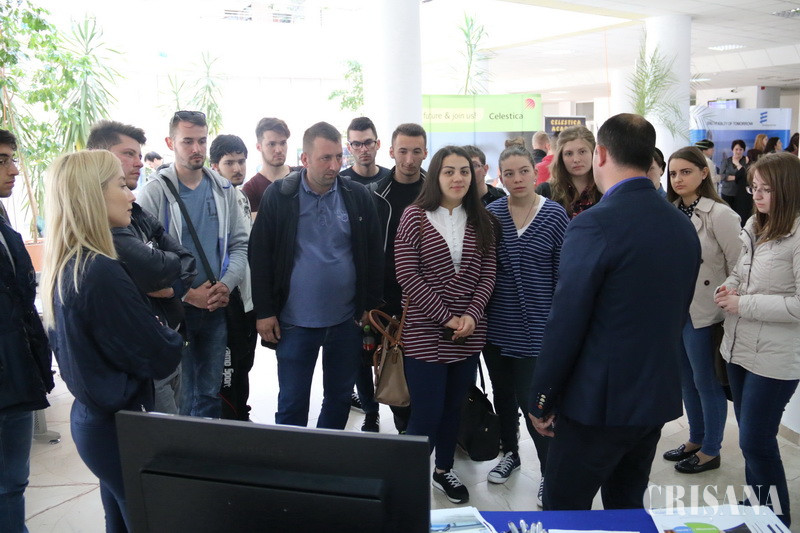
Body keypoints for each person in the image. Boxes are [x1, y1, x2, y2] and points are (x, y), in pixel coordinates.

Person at [528, 113, 701, 511]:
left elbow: (566, 321)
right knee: (626, 505)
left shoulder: (594, 224)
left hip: (596, 403)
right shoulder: (680, 224)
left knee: (564, 508)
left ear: (601, 154)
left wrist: (542, 397)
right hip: (654, 395)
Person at [41, 150, 183, 532]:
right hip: (117, 426)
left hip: (95, 421)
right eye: (121, 185)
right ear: (93, 195)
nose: (132, 195)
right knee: (150, 518)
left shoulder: (70, 263)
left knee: (120, 519)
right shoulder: (100, 270)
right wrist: (163, 329)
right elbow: (160, 354)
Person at [249, 121, 383, 429]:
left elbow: (374, 255)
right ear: (305, 159)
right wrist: (265, 311)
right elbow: (260, 256)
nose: (334, 166)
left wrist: (368, 306)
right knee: (292, 403)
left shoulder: (357, 196)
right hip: (294, 323)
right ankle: (291, 459)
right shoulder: (279, 196)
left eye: (338, 157)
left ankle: (326, 455)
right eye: (325, 158)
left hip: (346, 322)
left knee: (338, 399)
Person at [394, 145, 497, 505]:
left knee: (455, 407)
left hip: (468, 333)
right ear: (435, 175)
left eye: (464, 171)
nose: (458, 178)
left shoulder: (482, 219)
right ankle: (402, 478)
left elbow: (488, 274)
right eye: (449, 171)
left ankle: (443, 470)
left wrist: (471, 315)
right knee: (426, 412)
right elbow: (407, 274)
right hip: (425, 331)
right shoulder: (415, 216)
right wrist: (446, 316)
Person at [138, 111, 249, 419]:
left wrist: (226, 284)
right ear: (170, 143)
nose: (196, 149)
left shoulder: (222, 190)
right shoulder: (155, 192)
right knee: (181, 394)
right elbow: (141, 257)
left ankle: (206, 445)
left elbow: (240, 245)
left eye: (202, 140)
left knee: (211, 391)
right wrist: (187, 293)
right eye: (187, 141)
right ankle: (184, 446)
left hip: (215, 306)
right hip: (175, 310)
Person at [87, 120, 197, 415]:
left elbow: (186, 259)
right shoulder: (104, 229)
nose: (138, 162)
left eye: (139, 154)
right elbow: (155, 268)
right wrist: (163, 268)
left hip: (170, 336)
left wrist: (172, 288)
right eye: (128, 154)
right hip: (144, 359)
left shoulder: (135, 211)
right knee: (166, 436)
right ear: (99, 159)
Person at [714, 152, 800, 528]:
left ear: (788, 189)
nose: (758, 195)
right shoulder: (755, 225)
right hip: (740, 347)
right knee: (750, 439)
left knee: (756, 440)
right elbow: (740, 273)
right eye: (754, 188)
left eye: (766, 188)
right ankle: (757, 505)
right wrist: (728, 287)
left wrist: (743, 304)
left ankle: (775, 521)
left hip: (777, 358)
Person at [483, 144, 569, 507]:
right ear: (500, 178)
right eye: (509, 173)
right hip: (496, 327)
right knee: (502, 396)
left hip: (537, 327)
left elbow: (564, 276)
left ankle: (551, 473)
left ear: (536, 173)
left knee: (534, 402)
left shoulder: (554, 215)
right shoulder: (491, 214)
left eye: (523, 171)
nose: (517, 179)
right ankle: (510, 453)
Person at [662, 146, 741, 475]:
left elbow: (740, 266)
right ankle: (696, 438)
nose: (678, 179)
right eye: (673, 173)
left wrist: (729, 302)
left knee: (706, 382)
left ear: (704, 173)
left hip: (706, 312)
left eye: (686, 172)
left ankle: (711, 449)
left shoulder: (720, 214)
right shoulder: (668, 211)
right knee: (686, 380)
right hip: (675, 310)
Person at [0, 129, 54, 533]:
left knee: (13, 484)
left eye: (12, 159)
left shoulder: (3, 223)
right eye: (2, 161)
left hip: (16, 377)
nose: (15, 170)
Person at [362, 123, 429, 434]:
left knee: (427, 371)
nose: (409, 159)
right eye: (403, 151)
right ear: (391, 152)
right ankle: (406, 431)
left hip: (429, 297)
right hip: (388, 298)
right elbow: (366, 251)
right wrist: (368, 301)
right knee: (394, 369)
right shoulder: (375, 195)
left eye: (416, 151)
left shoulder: (437, 191)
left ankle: (430, 431)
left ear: (425, 153)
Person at [209, 134, 257, 421]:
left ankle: (242, 416)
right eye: (230, 163)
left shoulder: (240, 195)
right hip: (227, 297)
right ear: (215, 166)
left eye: (241, 161)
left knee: (244, 363)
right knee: (227, 370)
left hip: (247, 297)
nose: (238, 168)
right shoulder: (213, 199)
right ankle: (231, 424)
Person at [536, 125, 602, 218]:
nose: (576, 159)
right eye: (569, 154)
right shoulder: (545, 192)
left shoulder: (605, 192)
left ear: (593, 153)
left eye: (582, 152)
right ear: (561, 158)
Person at [242, 117, 300, 216]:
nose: (279, 150)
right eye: (272, 144)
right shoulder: (251, 189)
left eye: (283, 143)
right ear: (259, 147)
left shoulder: (303, 176)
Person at [340, 117, 391, 186]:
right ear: (349, 148)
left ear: (378, 144)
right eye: (357, 144)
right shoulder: (340, 183)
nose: (363, 149)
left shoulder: (390, 178)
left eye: (368, 142)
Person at [720, 139, 748, 208]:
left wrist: (738, 165)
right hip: (727, 192)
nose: (738, 152)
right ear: (732, 150)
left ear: (744, 150)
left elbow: (746, 175)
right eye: (736, 149)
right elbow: (721, 176)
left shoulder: (746, 161)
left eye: (741, 149)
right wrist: (737, 177)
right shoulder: (726, 161)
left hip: (741, 193)